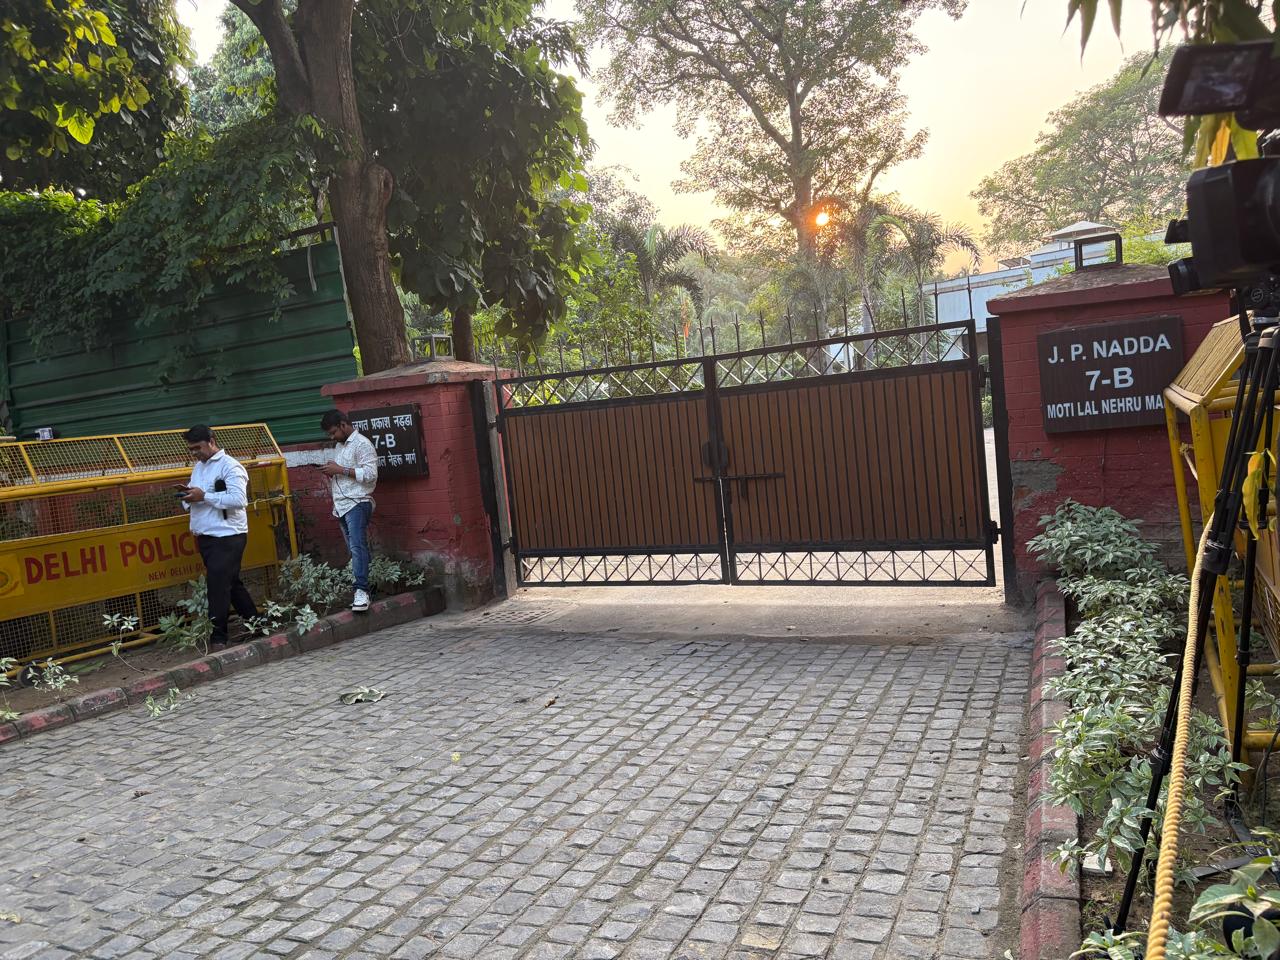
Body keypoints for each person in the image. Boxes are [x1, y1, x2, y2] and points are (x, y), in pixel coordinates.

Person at [179, 425, 260, 648]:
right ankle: (257, 623)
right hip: (206, 535)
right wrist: (187, 497)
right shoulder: (199, 468)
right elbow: (195, 495)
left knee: (217, 586)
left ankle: (218, 637)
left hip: (228, 535)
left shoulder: (230, 466)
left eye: (197, 447)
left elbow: (238, 499)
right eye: (191, 449)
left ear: (211, 441)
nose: (194, 452)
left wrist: (204, 496)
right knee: (230, 583)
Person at [320, 409, 379, 612]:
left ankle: (361, 591)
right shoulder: (340, 446)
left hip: (358, 502)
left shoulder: (362, 444)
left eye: (333, 432)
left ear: (344, 425)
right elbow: (346, 473)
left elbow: (370, 475)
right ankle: (370, 587)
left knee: (357, 547)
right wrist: (333, 471)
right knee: (356, 549)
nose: (332, 437)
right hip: (342, 505)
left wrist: (340, 470)